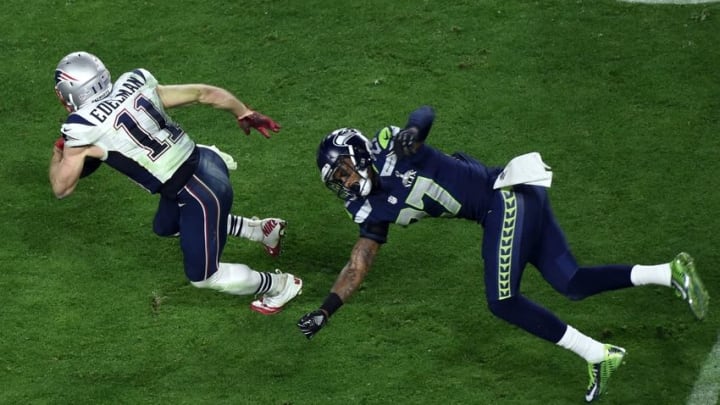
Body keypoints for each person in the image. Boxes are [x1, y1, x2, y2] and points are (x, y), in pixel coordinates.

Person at [297, 105, 710, 402]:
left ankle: (598, 354)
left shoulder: (396, 153)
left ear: (360, 155)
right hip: (513, 199)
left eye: (345, 172)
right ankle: (669, 273)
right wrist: (327, 309)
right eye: (339, 181)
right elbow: (359, 263)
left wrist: (412, 128)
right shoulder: (370, 210)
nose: (347, 185)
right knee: (572, 283)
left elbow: (424, 112)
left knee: (502, 300)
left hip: (505, 196)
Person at [49, 51, 302, 315]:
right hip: (205, 160)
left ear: (71, 91)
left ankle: (280, 285)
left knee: (205, 276)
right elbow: (203, 94)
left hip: (197, 192)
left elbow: (61, 187)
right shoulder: (134, 81)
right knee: (166, 226)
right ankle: (260, 230)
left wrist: (60, 152)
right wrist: (244, 112)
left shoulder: (82, 127)